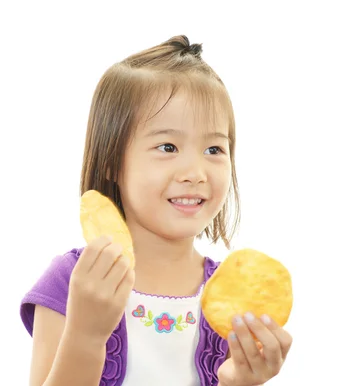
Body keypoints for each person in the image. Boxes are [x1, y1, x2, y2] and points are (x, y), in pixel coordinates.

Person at [19, 35, 293, 386]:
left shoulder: (233, 301)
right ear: (112, 161)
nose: (195, 173)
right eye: (168, 146)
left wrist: (240, 383)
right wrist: (85, 336)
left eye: (214, 149)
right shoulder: (74, 281)